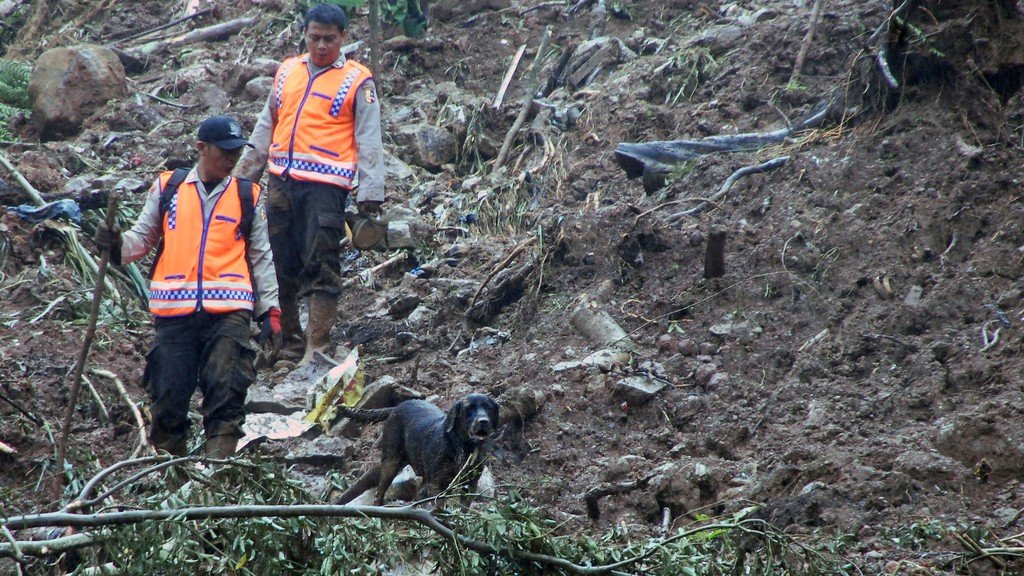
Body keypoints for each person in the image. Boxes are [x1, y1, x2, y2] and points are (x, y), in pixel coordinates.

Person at [95, 114, 281, 458]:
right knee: (167, 401)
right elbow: (141, 238)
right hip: (174, 316)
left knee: (226, 393)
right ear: (201, 148)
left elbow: (261, 256)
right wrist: (115, 244)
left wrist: (270, 311)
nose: (231, 159)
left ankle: (218, 478)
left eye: (236, 152)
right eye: (224, 151)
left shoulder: (247, 196)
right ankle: (172, 477)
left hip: (229, 315)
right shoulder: (168, 188)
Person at [234, 3, 385, 368]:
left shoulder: (357, 80)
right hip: (281, 182)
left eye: (329, 39)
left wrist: (370, 193)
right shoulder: (287, 71)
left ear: (344, 38)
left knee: (321, 264)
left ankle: (316, 347)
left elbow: (369, 138)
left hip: (326, 188)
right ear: (304, 33)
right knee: (278, 260)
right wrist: (244, 175)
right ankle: (287, 343)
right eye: (314, 37)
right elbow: (266, 124)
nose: (321, 45)